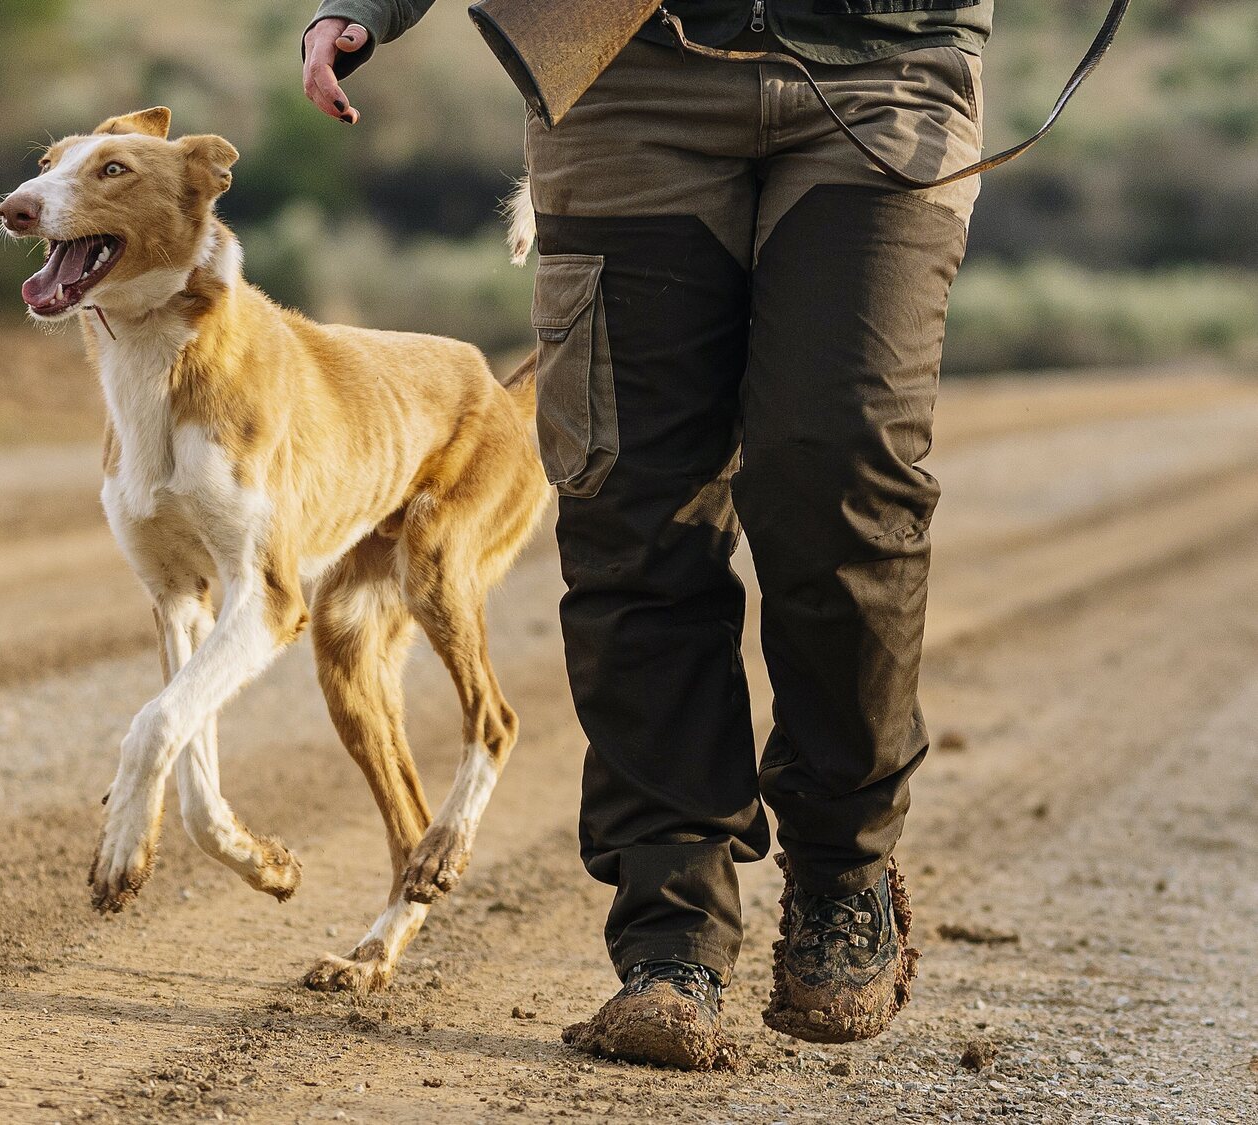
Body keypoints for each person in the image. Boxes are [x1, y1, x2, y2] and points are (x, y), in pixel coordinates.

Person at [302, 0, 988, 1070]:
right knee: (635, 507)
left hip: (880, 66)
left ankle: (843, 871)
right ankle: (673, 939)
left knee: (841, 466)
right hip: (621, 66)